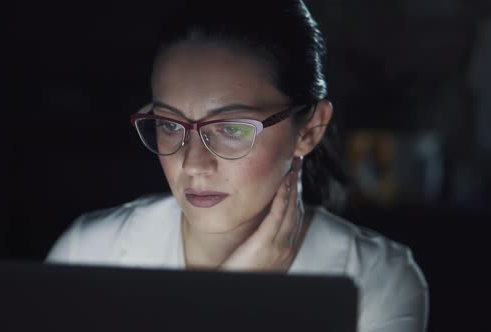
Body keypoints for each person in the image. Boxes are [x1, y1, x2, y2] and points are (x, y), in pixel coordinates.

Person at [46, 1, 429, 331]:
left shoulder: (375, 281)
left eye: (230, 128)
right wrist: (233, 294)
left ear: (309, 129)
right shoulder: (90, 254)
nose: (194, 164)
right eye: (168, 124)